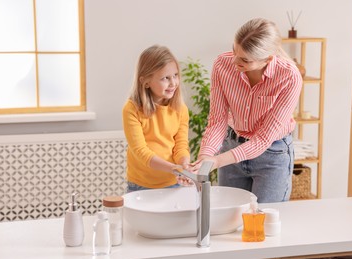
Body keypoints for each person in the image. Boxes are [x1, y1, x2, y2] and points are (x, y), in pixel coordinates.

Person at [191, 18, 303, 203]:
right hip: (231, 147)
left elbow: (263, 139)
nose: (234, 60)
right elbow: (217, 121)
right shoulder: (222, 65)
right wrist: (205, 158)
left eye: (244, 60)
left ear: (267, 59)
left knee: (264, 221)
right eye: (234, 50)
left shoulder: (289, 77)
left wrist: (217, 161)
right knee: (230, 218)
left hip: (272, 155)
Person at [122, 45, 191, 193]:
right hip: (140, 185)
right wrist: (174, 168)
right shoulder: (131, 109)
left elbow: (181, 145)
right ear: (146, 81)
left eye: (175, 75)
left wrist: (184, 164)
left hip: (173, 183)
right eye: (165, 78)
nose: (173, 83)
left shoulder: (181, 109)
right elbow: (141, 152)